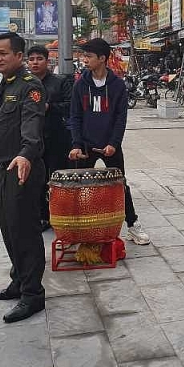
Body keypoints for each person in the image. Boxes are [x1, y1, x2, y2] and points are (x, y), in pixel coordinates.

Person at [0, 32, 47, 323]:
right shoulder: (5, 84)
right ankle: (19, 281)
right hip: (2, 170)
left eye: (3, 54)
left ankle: (33, 295)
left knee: (25, 233)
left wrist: (25, 154)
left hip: (22, 170)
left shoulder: (29, 86)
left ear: (19, 56)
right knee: (9, 231)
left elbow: (31, 126)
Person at [68, 38, 150, 245]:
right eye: (83, 56)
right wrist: (77, 144)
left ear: (102, 58)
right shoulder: (80, 85)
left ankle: (133, 225)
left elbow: (120, 118)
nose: (84, 60)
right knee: (79, 187)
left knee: (120, 185)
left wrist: (113, 143)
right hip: (85, 146)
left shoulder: (117, 86)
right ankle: (77, 230)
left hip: (110, 147)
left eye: (88, 56)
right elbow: (75, 116)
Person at [27, 45, 73, 232]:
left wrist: (49, 107)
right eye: (32, 59)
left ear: (47, 61)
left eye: (39, 59)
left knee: (56, 179)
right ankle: (42, 216)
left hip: (56, 139)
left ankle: (60, 215)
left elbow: (70, 106)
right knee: (35, 180)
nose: (35, 62)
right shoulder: (25, 84)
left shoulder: (60, 82)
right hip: (32, 141)